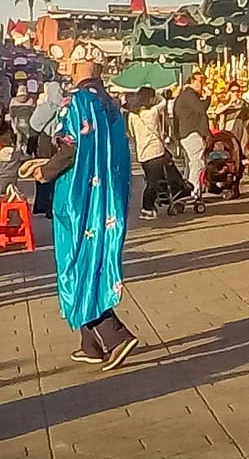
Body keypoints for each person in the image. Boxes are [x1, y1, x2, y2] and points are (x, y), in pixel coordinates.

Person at [32, 46, 138, 371]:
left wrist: (44, 170)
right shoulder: (111, 104)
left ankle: (114, 334)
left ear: (82, 65)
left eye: (71, 62)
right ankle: (90, 344)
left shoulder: (76, 101)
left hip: (78, 198)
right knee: (91, 258)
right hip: (105, 198)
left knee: (75, 261)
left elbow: (68, 148)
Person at [127, 86, 190, 219]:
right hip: (156, 151)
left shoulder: (132, 116)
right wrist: (159, 94)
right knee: (153, 182)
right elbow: (163, 103)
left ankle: (155, 202)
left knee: (151, 178)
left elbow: (132, 134)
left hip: (142, 153)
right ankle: (147, 207)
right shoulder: (152, 113)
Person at [29, 80, 64, 218]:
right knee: (54, 175)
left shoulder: (46, 106)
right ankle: (50, 206)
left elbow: (34, 123)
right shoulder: (64, 106)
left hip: (44, 142)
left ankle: (41, 205)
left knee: (42, 172)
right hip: (59, 143)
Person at [174, 72, 212, 198]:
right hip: (191, 133)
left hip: (186, 133)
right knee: (197, 162)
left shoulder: (186, 95)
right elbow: (201, 108)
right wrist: (208, 97)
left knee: (191, 162)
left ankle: (188, 188)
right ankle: (193, 189)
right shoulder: (189, 95)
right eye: (200, 81)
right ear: (192, 81)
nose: (203, 85)